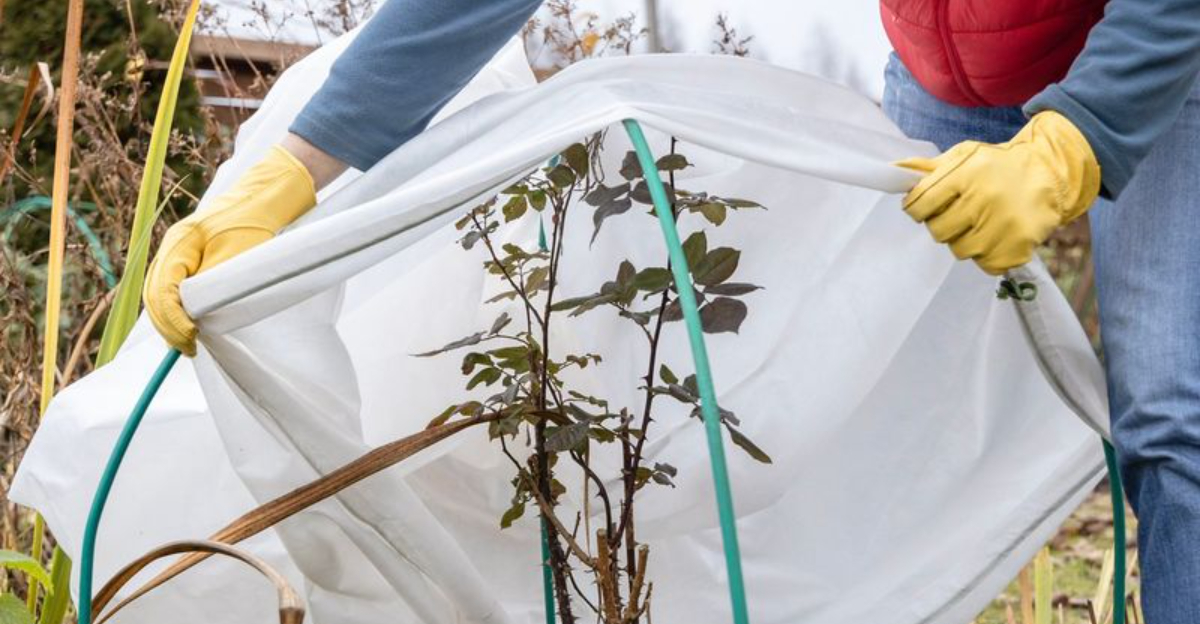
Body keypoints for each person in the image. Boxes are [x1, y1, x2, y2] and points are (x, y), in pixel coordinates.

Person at [143, 0, 1200, 620]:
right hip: (955, 59)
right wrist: (295, 166)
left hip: (1164, 38)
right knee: (863, 398)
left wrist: (1081, 138)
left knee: (1171, 410)